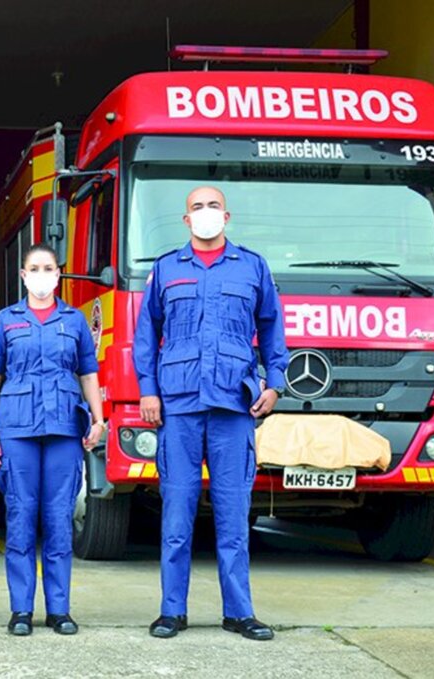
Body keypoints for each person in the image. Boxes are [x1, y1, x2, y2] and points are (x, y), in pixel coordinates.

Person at [133, 186, 289, 641]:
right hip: (179, 406)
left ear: (227, 216)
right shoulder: (165, 270)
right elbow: (147, 336)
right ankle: (171, 611)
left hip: (233, 405)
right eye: (197, 208)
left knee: (233, 516)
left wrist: (275, 382)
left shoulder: (252, 267)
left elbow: (272, 327)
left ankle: (239, 612)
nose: (206, 214)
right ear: (186, 220)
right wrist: (148, 391)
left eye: (213, 207)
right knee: (177, 516)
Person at [0, 243, 106, 636]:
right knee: (19, 519)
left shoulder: (74, 320)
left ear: (58, 273)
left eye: (48, 267)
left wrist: (99, 418)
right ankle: (21, 610)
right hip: (16, 429)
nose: (41, 274)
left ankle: (59, 610)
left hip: (64, 430)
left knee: (58, 520)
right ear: (23, 275)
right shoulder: (6, 321)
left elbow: (88, 373)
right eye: (33, 268)